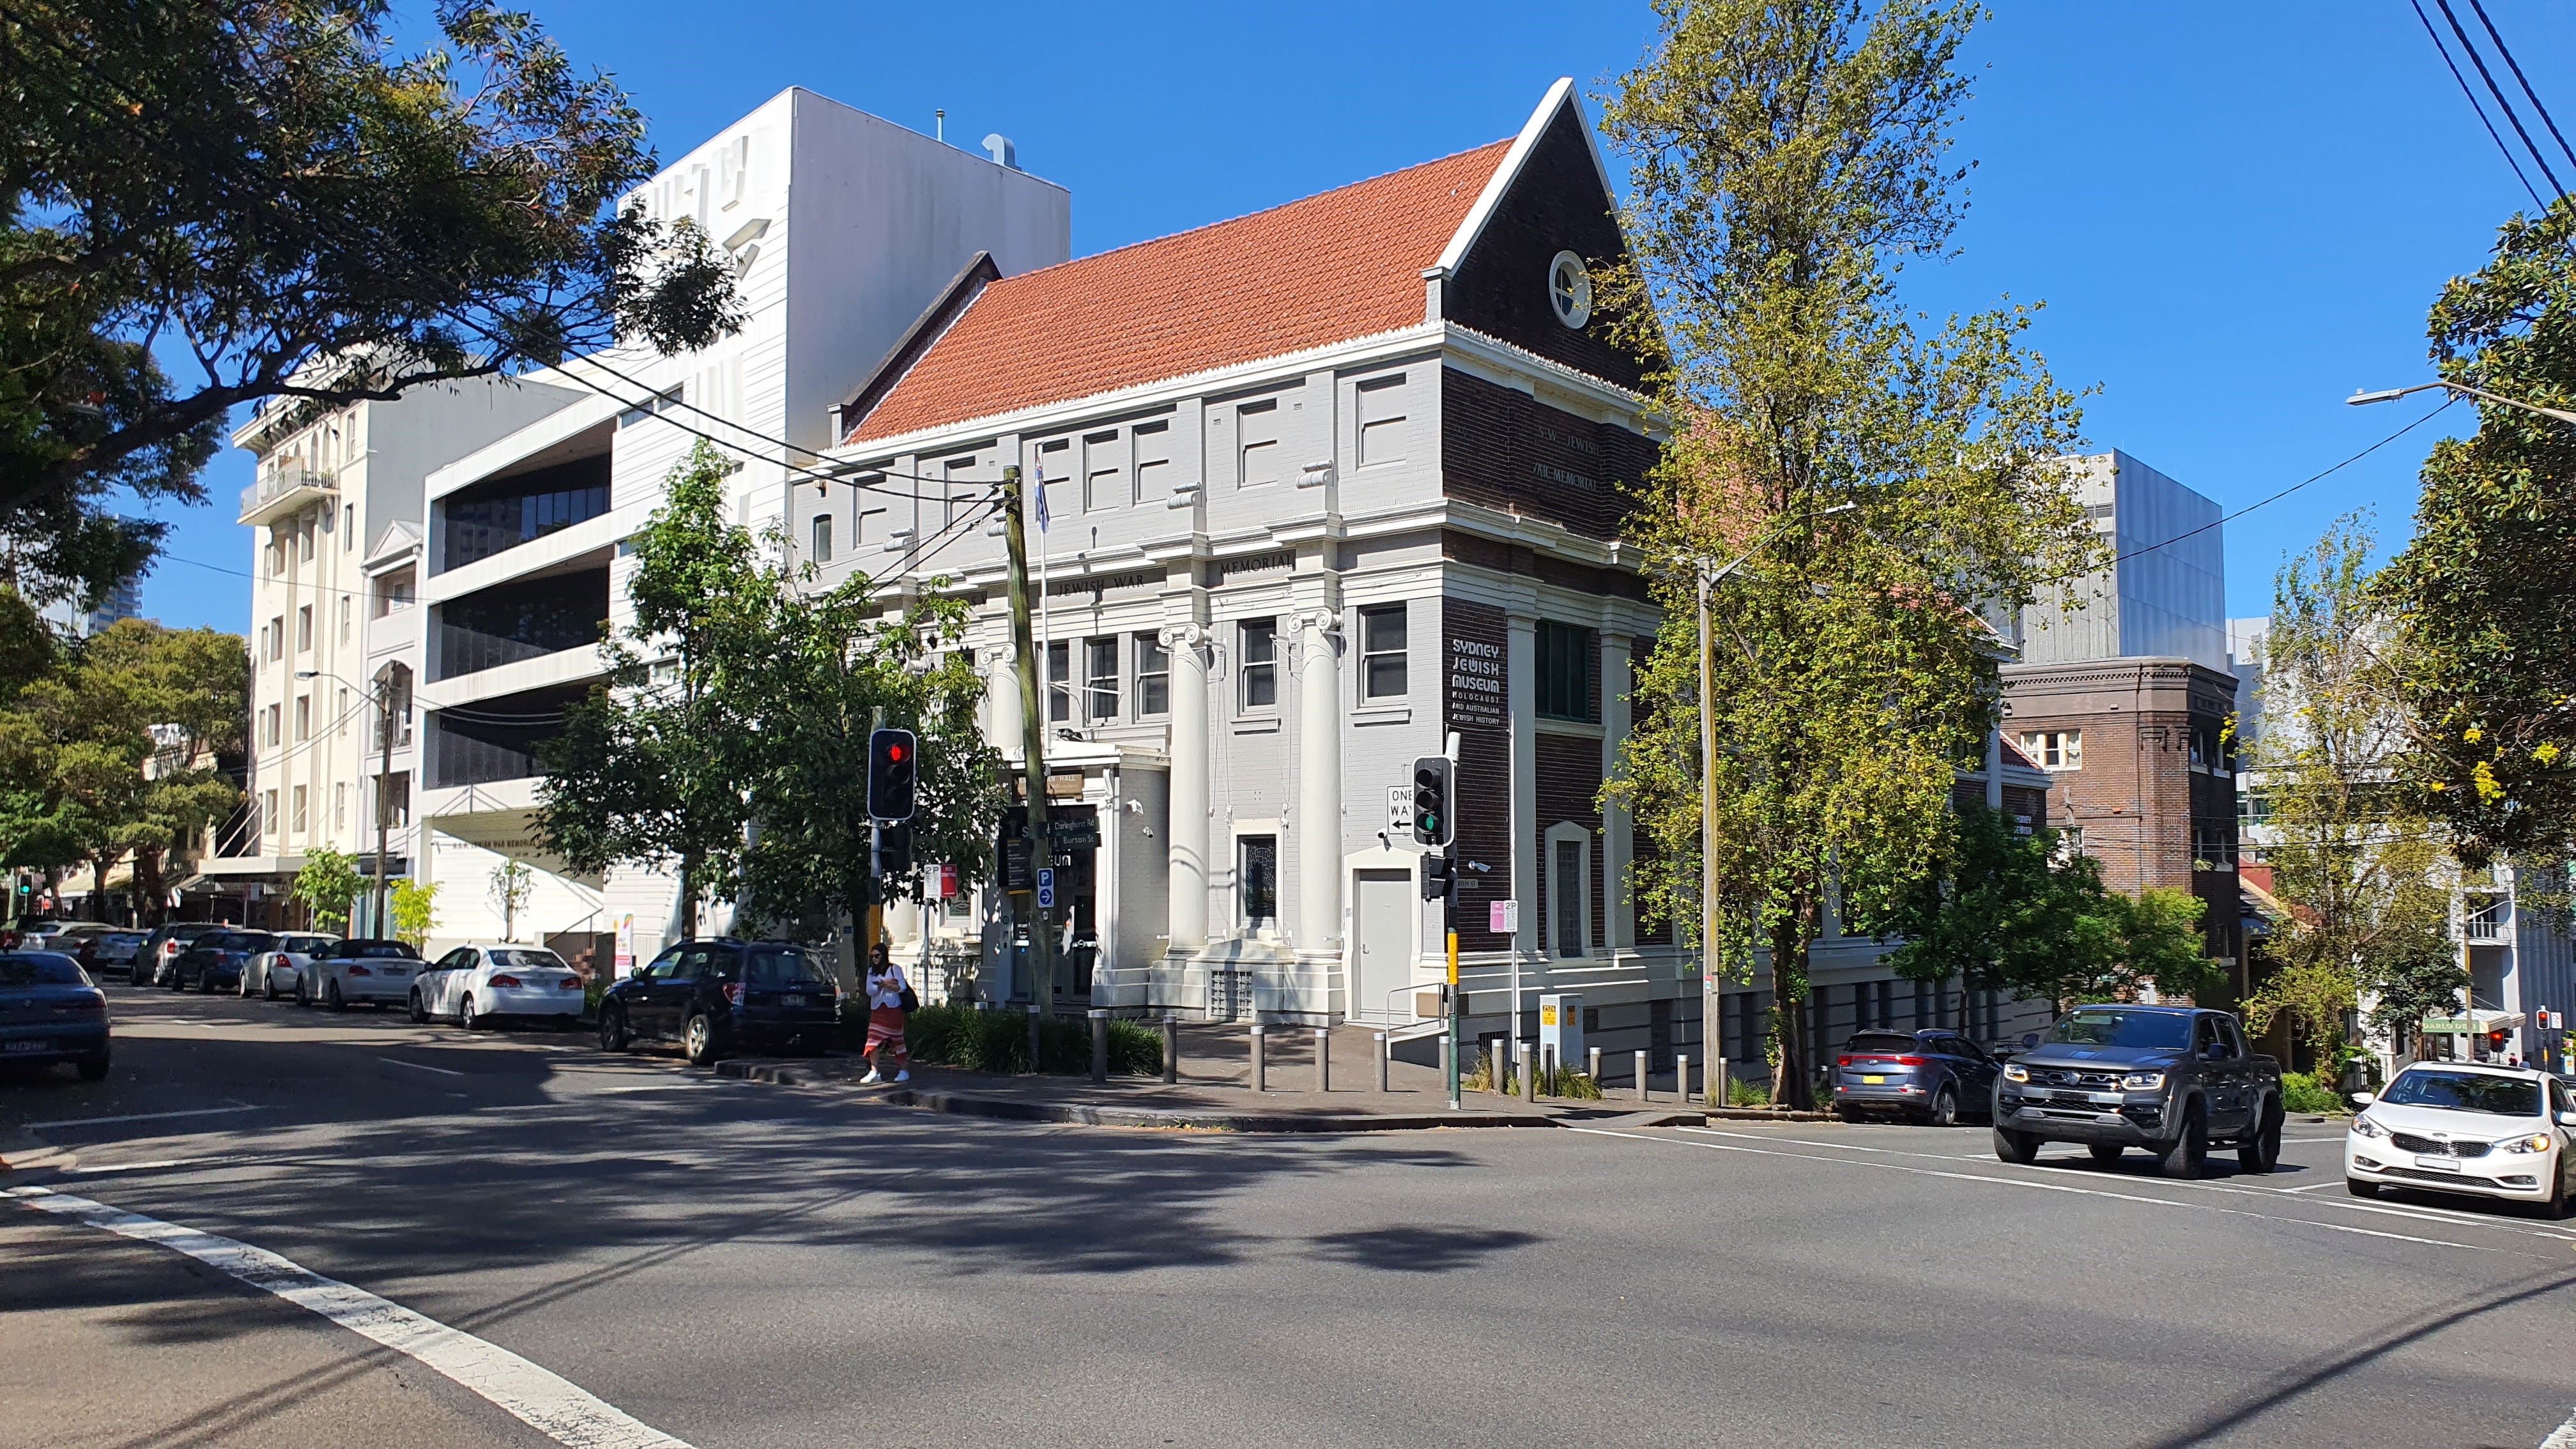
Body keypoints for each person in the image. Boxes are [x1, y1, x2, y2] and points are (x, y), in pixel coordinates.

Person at [859, 940, 910, 1084]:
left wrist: (884, 984)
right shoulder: (871, 972)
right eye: (873, 957)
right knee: (872, 1042)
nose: (875, 959)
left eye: (877, 956)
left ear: (884, 956)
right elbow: (870, 990)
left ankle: (903, 1070)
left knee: (897, 1042)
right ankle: (874, 1071)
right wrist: (885, 985)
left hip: (894, 1011)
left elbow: (901, 987)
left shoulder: (895, 969)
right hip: (878, 1011)